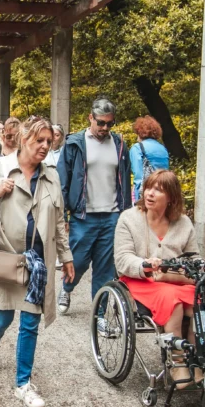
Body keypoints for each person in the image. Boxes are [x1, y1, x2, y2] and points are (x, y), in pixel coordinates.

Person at [0, 116, 75, 407]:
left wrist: (66, 256)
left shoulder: (51, 175)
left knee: (30, 321)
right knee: (3, 317)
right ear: (24, 139)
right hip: (6, 256)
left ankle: (23, 384)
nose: (45, 146)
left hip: (37, 261)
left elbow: (60, 221)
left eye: (48, 141)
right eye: (39, 140)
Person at [113, 169, 205, 387]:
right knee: (171, 300)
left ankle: (198, 359)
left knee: (203, 301)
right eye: (149, 187)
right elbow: (122, 258)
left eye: (159, 190)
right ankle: (178, 362)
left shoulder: (183, 223)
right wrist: (144, 264)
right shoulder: (129, 218)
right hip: (140, 280)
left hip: (174, 279)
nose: (150, 193)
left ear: (171, 197)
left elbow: (193, 258)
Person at [56, 97, 132, 319]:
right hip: (82, 215)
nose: (105, 128)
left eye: (110, 123)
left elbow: (125, 179)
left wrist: (126, 213)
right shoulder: (74, 144)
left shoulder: (119, 144)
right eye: (101, 123)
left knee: (105, 269)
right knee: (77, 262)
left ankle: (99, 315)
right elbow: (63, 182)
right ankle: (67, 289)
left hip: (112, 216)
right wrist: (63, 217)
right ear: (90, 118)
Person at [130, 115, 170, 202]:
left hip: (147, 193)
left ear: (140, 132)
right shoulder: (163, 148)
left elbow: (138, 176)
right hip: (162, 191)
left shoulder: (138, 148)